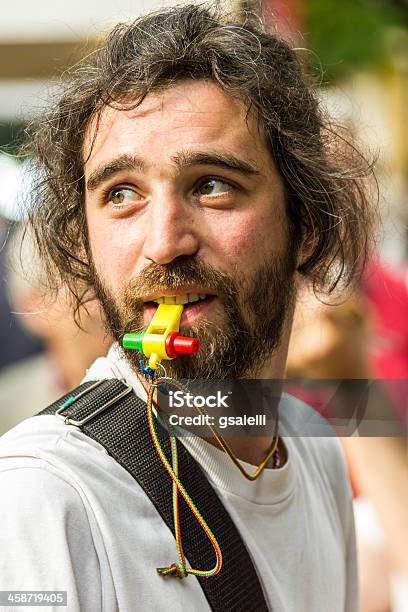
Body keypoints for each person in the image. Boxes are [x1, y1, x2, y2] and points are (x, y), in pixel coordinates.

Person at [0, 5, 375, 611]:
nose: (164, 242)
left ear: (305, 222)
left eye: (212, 184)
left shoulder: (312, 448)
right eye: (121, 194)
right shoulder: (41, 496)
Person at [0, 225, 111, 434]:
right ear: (34, 306)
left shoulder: (171, 388)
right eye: (83, 277)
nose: (107, 292)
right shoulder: (6, 410)